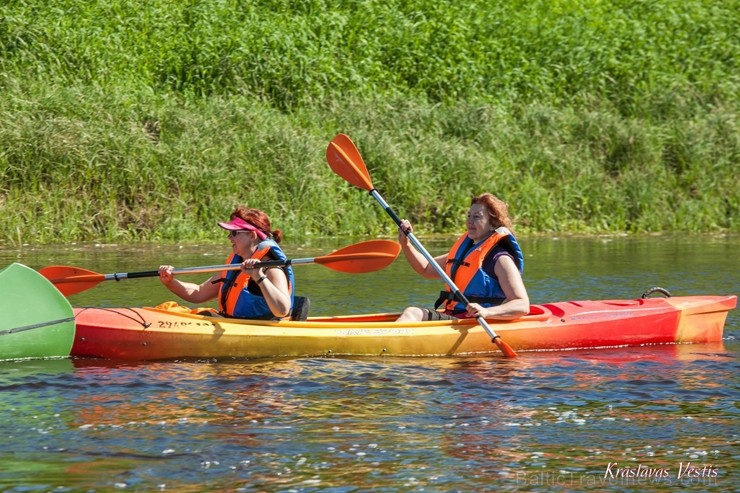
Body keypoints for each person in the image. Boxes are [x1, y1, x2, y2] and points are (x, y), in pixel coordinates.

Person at [396, 193, 529, 322]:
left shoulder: (501, 259)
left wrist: (486, 312)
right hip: (456, 317)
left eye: (477, 217)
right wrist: (406, 244)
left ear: (492, 224)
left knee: (413, 313)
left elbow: (522, 304)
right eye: (469, 216)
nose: (470, 221)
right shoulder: (465, 252)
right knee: (411, 313)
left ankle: (385, 344)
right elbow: (426, 268)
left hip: (479, 321)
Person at [158, 206, 294, 319]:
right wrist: (170, 282)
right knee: (171, 311)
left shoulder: (272, 269)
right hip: (231, 323)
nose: (229, 237)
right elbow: (199, 293)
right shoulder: (236, 266)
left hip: (258, 329)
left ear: (252, 235)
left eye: (234, 233)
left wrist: (258, 276)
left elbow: (282, 311)